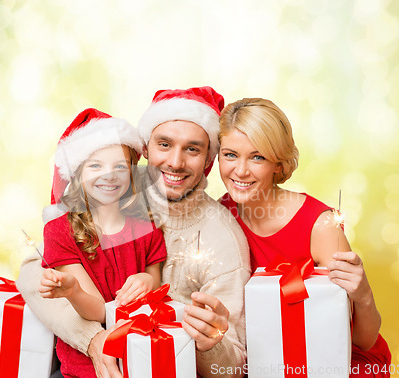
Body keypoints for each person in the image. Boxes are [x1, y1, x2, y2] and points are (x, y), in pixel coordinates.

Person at [16, 87, 251, 378]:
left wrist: (208, 343)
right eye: (164, 144)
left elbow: (234, 368)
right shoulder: (114, 199)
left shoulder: (221, 239)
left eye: (192, 149)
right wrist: (92, 339)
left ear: (208, 160)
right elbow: (32, 272)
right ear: (146, 149)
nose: (175, 162)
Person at [218, 98, 391, 377]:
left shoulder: (320, 226)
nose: (240, 170)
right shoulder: (221, 215)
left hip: (331, 358)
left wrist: (364, 295)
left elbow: (364, 341)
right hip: (267, 358)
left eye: (257, 157)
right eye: (230, 155)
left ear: (278, 163)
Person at [36, 108, 168, 377]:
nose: (109, 175)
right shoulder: (60, 232)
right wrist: (73, 292)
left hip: (144, 357)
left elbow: (157, 282)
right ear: (77, 173)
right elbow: (98, 311)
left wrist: (146, 279)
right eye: (95, 165)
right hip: (86, 368)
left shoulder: (146, 225)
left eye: (120, 166)